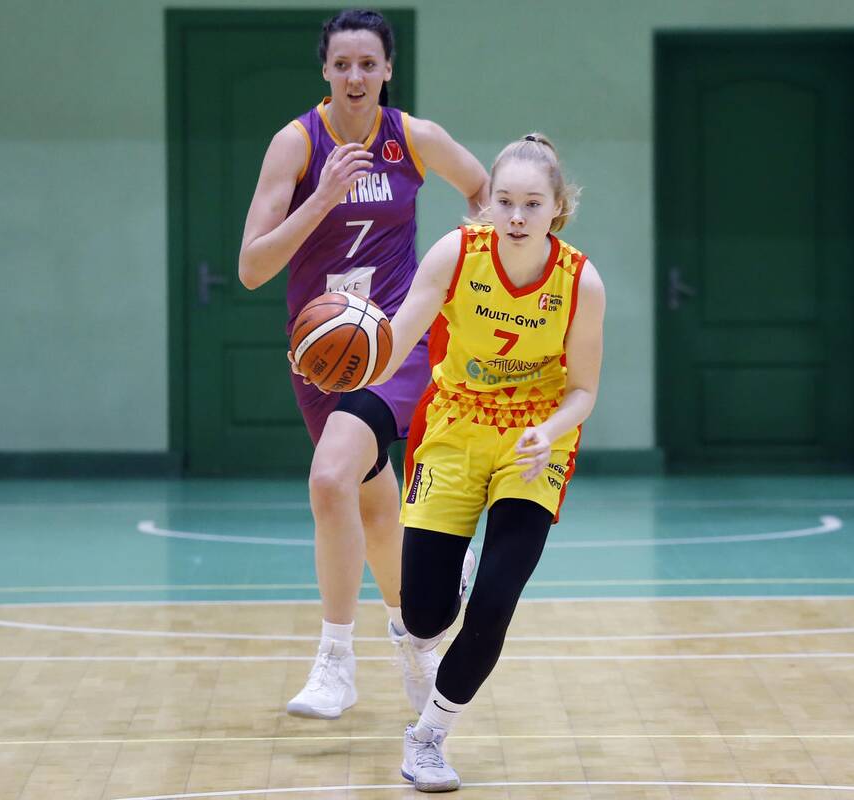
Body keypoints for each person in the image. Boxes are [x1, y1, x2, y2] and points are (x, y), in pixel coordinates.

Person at [238, 8, 488, 721]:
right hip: (323, 352)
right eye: (342, 63)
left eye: (368, 64)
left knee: (328, 480)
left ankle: (335, 660)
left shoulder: (413, 138)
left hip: (393, 341)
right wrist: (322, 197)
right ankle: (416, 641)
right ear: (325, 69)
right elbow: (252, 267)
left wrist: (465, 264)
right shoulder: (295, 144)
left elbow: (482, 189)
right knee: (376, 511)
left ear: (387, 70)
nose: (355, 76)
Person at [371, 133, 606, 792]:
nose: (517, 217)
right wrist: (342, 365)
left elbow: (584, 390)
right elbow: (396, 342)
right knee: (424, 617)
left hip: (535, 444)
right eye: (504, 201)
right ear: (488, 204)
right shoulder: (456, 254)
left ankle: (428, 738)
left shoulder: (580, 281)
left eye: (532, 203)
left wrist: (549, 431)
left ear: (558, 207)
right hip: (454, 427)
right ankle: (437, 596)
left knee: (497, 602)